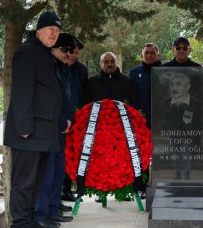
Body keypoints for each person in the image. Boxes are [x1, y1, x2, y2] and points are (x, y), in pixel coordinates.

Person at [4, 12, 63, 228]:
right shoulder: (28, 52)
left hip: (43, 133)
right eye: (50, 29)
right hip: (28, 133)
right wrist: (24, 128)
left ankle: (28, 221)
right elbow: (22, 92)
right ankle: (20, 223)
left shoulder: (44, 53)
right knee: (23, 183)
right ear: (38, 30)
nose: (54, 34)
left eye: (57, 31)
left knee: (36, 182)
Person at [83, 52, 139, 203]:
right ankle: (101, 192)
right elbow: (86, 106)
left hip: (122, 130)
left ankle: (124, 191)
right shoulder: (91, 83)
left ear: (116, 63)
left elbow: (134, 105)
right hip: (99, 130)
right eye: (106, 62)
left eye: (112, 61)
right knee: (100, 162)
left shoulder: (128, 82)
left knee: (123, 161)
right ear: (101, 64)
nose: (109, 64)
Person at [35, 34, 75, 226]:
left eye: (70, 50)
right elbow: (48, 102)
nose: (69, 53)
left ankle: (52, 209)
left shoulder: (62, 70)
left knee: (58, 171)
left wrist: (68, 120)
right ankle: (41, 214)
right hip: (49, 130)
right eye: (65, 50)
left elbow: (65, 101)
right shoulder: (49, 69)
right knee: (47, 174)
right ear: (53, 50)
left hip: (61, 130)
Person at [60, 35, 88, 204]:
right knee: (60, 156)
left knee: (73, 154)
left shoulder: (81, 69)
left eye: (76, 51)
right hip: (60, 118)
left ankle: (68, 188)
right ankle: (60, 190)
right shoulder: (57, 67)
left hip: (77, 119)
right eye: (71, 50)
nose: (74, 53)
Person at [162, 73, 201, 179]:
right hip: (173, 134)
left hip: (188, 134)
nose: (174, 87)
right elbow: (163, 117)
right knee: (174, 154)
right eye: (172, 84)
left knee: (186, 154)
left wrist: (184, 107)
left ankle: (187, 174)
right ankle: (177, 173)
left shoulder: (195, 103)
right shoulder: (166, 102)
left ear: (187, 87)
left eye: (178, 84)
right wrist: (173, 107)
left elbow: (198, 119)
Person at [128, 43, 162, 128]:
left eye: (152, 53)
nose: (149, 55)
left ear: (158, 55)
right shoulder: (134, 72)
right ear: (141, 55)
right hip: (140, 119)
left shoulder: (166, 71)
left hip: (162, 119)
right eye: (146, 53)